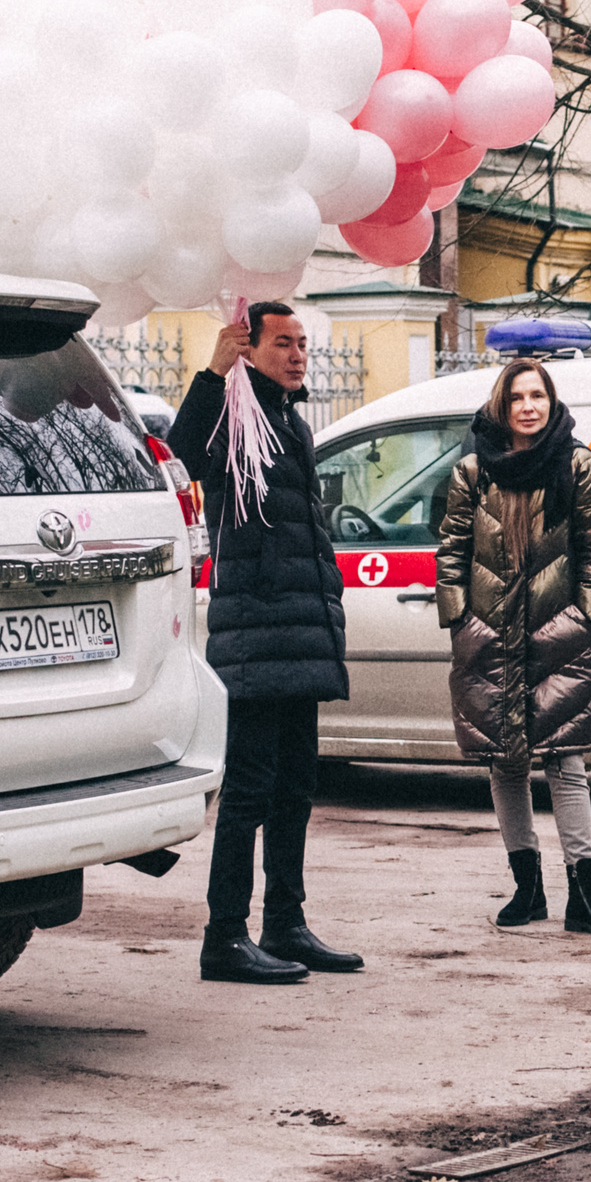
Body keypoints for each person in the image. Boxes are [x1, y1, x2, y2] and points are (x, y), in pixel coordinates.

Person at [167, 302, 362, 985]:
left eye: (303, 342)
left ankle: (286, 921)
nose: (299, 353)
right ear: (250, 349)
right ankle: (224, 936)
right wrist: (212, 373)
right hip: (255, 637)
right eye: (284, 342)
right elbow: (180, 453)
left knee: (295, 789)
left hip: (302, 633)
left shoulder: (292, 422)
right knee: (248, 791)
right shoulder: (233, 416)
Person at [434, 356, 591, 938]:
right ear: (503, 403)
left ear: (550, 401)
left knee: (566, 760)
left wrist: (586, 615)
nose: (528, 406)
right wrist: (460, 620)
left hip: (557, 634)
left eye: (537, 396)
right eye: (517, 396)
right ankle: (528, 888)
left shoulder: (576, 462)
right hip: (489, 635)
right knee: (504, 763)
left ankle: (583, 895)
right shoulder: (473, 470)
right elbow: (451, 551)